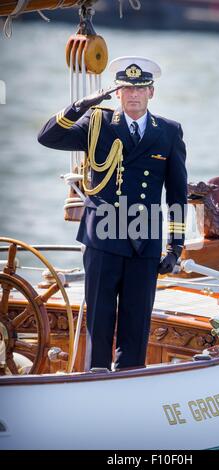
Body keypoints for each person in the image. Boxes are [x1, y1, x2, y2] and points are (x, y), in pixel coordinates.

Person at [37, 56, 187, 371]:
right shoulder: (97, 123)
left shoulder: (169, 132)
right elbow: (47, 136)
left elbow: (176, 192)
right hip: (103, 234)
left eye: (141, 88)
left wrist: (175, 246)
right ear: (116, 94)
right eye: (126, 88)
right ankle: (97, 379)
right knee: (100, 320)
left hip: (144, 239)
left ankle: (130, 379)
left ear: (151, 93)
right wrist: (80, 105)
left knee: (137, 320)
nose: (134, 94)